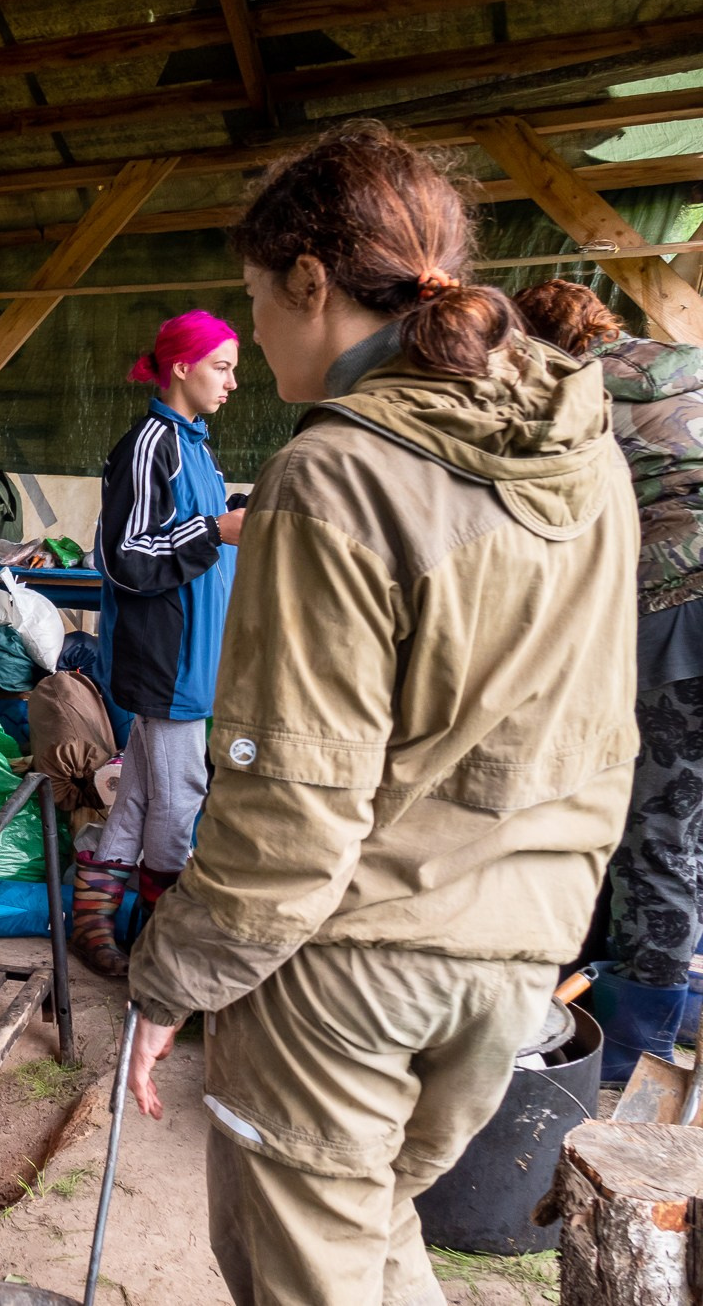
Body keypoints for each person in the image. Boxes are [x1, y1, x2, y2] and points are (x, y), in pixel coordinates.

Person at [125, 123, 637, 1306]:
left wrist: (168, 980)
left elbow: (288, 824)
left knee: (310, 1269)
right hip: (522, 946)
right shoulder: (584, 453)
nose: (252, 331)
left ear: (309, 282)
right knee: (368, 1240)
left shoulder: (333, 473)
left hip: (351, 967)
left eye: (255, 297)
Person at [516, 278, 703, 1079]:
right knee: (691, 824)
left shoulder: (575, 391)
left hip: (676, 606)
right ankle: (672, 1004)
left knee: (656, 830)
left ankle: (632, 1046)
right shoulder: (688, 364)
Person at [77, 310, 242, 976]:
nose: (231, 382)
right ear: (181, 366)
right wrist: (217, 530)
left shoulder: (198, 447)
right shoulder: (150, 445)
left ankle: (92, 924)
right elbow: (126, 556)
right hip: (166, 660)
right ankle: (162, 954)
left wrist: (227, 518)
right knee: (180, 800)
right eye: (221, 367)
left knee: (140, 795)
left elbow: (190, 533)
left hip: (193, 658)